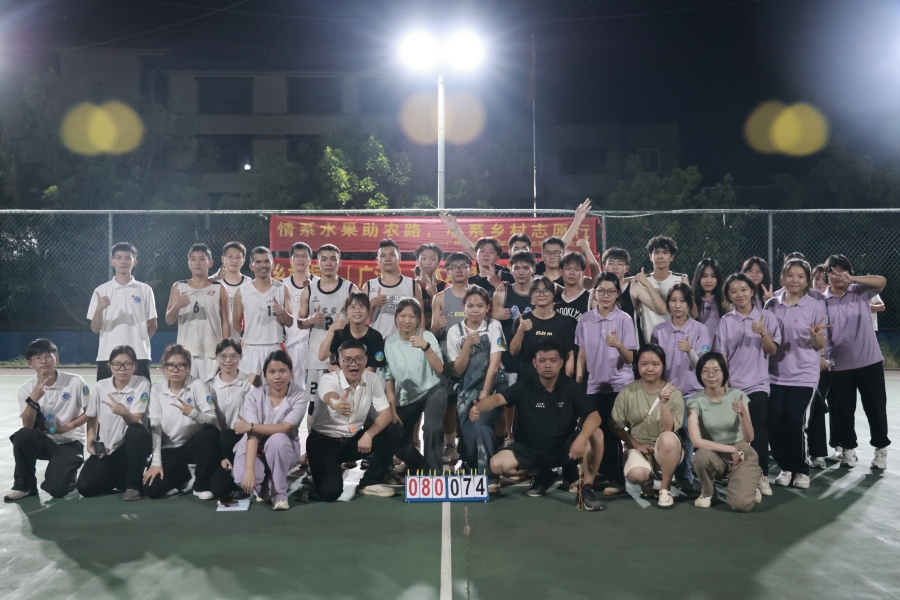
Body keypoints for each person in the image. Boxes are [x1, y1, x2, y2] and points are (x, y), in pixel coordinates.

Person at [471, 340, 606, 511]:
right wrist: (478, 407)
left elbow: (595, 417)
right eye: (542, 361)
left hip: (565, 448)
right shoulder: (524, 386)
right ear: (535, 363)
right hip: (531, 450)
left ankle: (586, 488)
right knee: (496, 464)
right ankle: (544, 474)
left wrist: (581, 439)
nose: (547, 365)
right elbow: (498, 399)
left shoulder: (571, 387)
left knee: (597, 434)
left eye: (553, 360)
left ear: (561, 363)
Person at [307, 340, 401, 500]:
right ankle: (322, 472)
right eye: (348, 360)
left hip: (351, 441)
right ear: (339, 361)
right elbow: (329, 395)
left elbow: (386, 414)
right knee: (330, 493)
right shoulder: (328, 379)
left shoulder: (371, 379)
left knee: (392, 429)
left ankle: (370, 482)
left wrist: (369, 435)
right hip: (324, 444)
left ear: (365, 360)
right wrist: (336, 403)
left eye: (358, 359)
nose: (353, 364)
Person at [714, 272, 780, 496]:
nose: (739, 294)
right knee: (735, 433)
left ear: (752, 291)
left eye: (743, 289)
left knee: (758, 428)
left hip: (758, 384)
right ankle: (737, 474)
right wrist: (725, 387)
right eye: (733, 291)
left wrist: (763, 333)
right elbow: (722, 355)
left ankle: (761, 475)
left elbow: (772, 350)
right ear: (728, 296)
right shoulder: (726, 321)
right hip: (733, 387)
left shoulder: (766, 317)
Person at [765, 259, 828, 489]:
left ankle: (801, 469)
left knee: (794, 420)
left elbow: (820, 343)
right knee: (774, 422)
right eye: (790, 275)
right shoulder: (771, 305)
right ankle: (786, 466)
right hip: (774, 375)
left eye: (800, 276)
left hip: (804, 375)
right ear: (783, 277)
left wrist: (814, 335)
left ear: (807, 280)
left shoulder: (815, 306)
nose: (795, 280)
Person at [823, 254, 889, 469]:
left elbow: (882, 281)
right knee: (843, 412)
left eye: (842, 271)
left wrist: (852, 279)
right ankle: (848, 450)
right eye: (833, 272)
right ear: (826, 275)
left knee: (875, 409)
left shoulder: (860, 290)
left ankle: (880, 449)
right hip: (839, 365)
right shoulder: (821, 300)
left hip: (869, 361)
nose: (838, 276)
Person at [575, 273, 638, 496]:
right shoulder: (585, 320)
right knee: (594, 432)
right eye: (601, 291)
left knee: (612, 431)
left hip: (619, 385)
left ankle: (617, 480)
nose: (605, 295)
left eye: (611, 291)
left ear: (618, 294)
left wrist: (618, 345)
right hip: (594, 385)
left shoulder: (625, 319)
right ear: (594, 293)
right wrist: (578, 384)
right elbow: (581, 355)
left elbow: (630, 358)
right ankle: (598, 475)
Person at [4, 339, 88, 500]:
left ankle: (68, 473)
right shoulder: (26, 390)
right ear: (29, 364)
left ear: (56, 359)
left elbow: (89, 412)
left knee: (57, 490)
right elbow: (27, 425)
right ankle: (25, 486)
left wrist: (66, 428)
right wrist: (33, 400)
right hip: (44, 442)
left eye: (48, 356)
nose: (43, 361)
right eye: (38, 358)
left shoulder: (75, 381)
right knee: (22, 435)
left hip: (70, 441)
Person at [650, 283, 711, 494]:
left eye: (682, 301)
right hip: (666, 393)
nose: (677, 305)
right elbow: (653, 365)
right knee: (664, 434)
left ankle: (685, 478)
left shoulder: (700, 330)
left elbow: (703, 367)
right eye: (673, 301)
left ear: (689, 304)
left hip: (691, 392)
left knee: (685, 431)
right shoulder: (659, 331)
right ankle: (657, 474)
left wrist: (690, 351)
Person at [230, 350, 307, 510]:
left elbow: (285, 427)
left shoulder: (300, 395)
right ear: (265, 375)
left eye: (282, 371)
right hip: (254, 447)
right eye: (272, 372)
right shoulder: (253, 396)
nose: (277, 376)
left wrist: (250, 426)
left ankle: (279, 494)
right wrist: (249, 469)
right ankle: (264, 485)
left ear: (291, 373)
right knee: (242, 477)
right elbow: (252, 435)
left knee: (277, 439)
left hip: (283, 448)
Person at [610, 344, 685, 509]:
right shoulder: (628, 391)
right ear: (637, 366)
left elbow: (669, 429)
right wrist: (635, 445)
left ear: (663, 366)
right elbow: (615, 424)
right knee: (637, 474)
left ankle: (665, 488)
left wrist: (664, 403)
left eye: (655, 364)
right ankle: (647, 481)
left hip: (666, 449)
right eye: (644, 364)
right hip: (639, 447)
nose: (649, 369)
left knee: (668, 438)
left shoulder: (674, 393)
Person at [448, 286, 507, 492]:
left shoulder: (494, 326)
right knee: (468, 431)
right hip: (466, 387)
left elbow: (494, 365)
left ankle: (489, 477)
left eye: (480, 306)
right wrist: (466, 345)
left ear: (488, 307)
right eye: (471, 306)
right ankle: (470, 464)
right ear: (463, 307)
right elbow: (457, 369)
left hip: (493, 386)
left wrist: (483, 398)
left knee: (482, 422)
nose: (475, 310)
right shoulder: (454, 332)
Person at [143, 344, 220, 500]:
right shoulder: (156, 389)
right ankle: (182, 475)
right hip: (168, 449)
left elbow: (213, 419)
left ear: (188, 368)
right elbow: (156, 428)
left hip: (191, 446)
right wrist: (156, 462)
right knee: (152, 490)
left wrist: (193, 414)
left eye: (181, 365)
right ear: (164, 368)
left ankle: (201, 485)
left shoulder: (197, 385)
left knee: (211, 433)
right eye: (170, 365)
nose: (175, 370)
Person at [687, 352, 762, 511]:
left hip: (741, 452)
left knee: (741, 504)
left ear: (724, 372)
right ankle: (708, 492)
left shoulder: (738, 395)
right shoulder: (695, 401)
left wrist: (743, 413)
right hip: (714, 452)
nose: (711, 375)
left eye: (716, 370)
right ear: (699, 374)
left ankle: (750, 481)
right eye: (705, 371)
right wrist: (729, 449)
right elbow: (696, 441)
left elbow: (749, 437)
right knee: (700, 457)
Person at [77, 345, 152, 501]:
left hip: (131, 447)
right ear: (110, 366)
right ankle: (121, 477)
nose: (122, 369)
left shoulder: (142, 383)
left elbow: (135, 420)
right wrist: (91, 440)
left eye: (128, 364)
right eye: (116, 364)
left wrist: (124, 413)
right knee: (85, 488)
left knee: (136, 431)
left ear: (135, 366)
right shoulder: (100, 386)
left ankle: (134, 486)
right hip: (107, 448)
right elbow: (92, 417)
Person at [383, 299, 448, 474]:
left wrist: (425, 347)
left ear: (418, 320)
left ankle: (434, 475)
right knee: (394, 436)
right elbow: (389, 379)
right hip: (408, 396)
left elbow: (440, 369)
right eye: (402, 316)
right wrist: (392, 409)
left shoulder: (427, 337)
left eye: (412, 316)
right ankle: (419, 463)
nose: (407, 320)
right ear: (396, 318)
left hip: (434, 389)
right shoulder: (389, 343)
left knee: (432, 427)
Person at [88, 242, 157, 381]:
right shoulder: (101, 291)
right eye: (119, 258)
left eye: (127, 258)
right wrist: (99, 309)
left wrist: (139, 340)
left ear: (134, 262)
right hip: (107, 355)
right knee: (107, 394)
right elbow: (95, 328)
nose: (123, 261)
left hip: (139, 355)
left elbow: (153, 324)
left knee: (141, 394)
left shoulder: (145, 290)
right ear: (112, 262)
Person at [298, 244, 355, 403]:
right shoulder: (309, 291)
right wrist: (311, 320)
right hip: (316, 357)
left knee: (345, 402)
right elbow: (299, 322)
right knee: (315, 404)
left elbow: (359, 318)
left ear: (339, 262)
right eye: (324, 259)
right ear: (317, 262)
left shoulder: (350, 288)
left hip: (343, 357)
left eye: (333, 259)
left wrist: (348, 322)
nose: (328, 263)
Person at [164, 243, 230, 382]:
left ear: (210, 263)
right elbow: (169, 320)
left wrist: (224, 351)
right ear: (189, 263)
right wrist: (177, 306)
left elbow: (225, 321)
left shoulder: (219, 288)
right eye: (193, 259)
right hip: (186, 353)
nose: (197, 263)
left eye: (202, 259)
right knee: (186, 392)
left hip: (212, 353)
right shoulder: (179, 286)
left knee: (210, 393)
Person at [430, 252, 473, 463]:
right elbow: (432, 333)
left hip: (475, 359)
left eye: (463, 266)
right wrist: (437, 327)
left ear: (470, 269)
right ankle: (450, 445)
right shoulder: (440, 298)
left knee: (473, 404)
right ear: (447, 271)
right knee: (449, 405)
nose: (459, 270)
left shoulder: (479, 294)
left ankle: (471, 446)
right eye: (454, 267)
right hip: (448, 360)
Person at [232, 246, 293, 383]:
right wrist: (249, 337)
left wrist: (282, 311)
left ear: (272, 264)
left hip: (275, 347)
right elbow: (236, 322)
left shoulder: (282, 289)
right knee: (248, 390)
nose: (263, 265)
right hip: (250, 349)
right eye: (258, 262)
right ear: (251, 266)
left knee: (275, 389)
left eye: (266, 261)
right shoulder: (242, 291)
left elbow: (290, 322)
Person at [206, 339, 256, 502]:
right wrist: (222, 456)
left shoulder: (249, 383)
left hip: (244, 439)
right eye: (223, 356)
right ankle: (233, 474)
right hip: (221, 444)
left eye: (233, 356)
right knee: (218, 489)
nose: (228, 360)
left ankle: (245, 475)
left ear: (240, 357)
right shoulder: (209, 386)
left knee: (229, 436)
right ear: (216, 357)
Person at [510, 276, 575, 382]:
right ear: (531, 297)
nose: (541, 294)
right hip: (528, 381)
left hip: (557, 381)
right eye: (536, 291)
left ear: (553, 294)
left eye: (546, 290)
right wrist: (521, 330)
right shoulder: (522, 321)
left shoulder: (565, 322)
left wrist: (568, 382)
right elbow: (513, 352)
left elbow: (569, 354)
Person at [599, 247, 665, 341]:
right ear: (604, 267)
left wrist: (647, 284)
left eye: (620, 264)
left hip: (631, 346)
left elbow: (661, 310)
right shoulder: (598, 292)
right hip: (606, 344)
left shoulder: (633, 288)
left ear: (626, 269)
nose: (615, 267)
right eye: (611, 263)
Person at [363, 238, 423, 339]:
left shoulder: (412, 285)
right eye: (383, 256)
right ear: (377, 261)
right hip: (377, 341)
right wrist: (373, 303)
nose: (387, 259)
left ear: (399, 258)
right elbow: (360, 317)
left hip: (406, 341)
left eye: (392, 255)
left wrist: (420, 337)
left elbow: (421, 316)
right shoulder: (369, 286)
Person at [492, 250, 537, 386]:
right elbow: (491, 327)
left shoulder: (541, 295)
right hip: (507, 356)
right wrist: (494, 316)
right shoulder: (501, 294)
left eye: (526, 268)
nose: (521, 272)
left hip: (532, 355)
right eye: (516, 268)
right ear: (510, 270)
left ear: (533, 270)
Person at [635, 236, 689, 344]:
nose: (660, 256)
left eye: (665, 252)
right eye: (656, 252)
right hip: (650, 342)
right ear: (650, 256)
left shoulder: (681, 279)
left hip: (677, 341)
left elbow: (691, 312)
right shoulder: (641, 281)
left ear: (671, 257)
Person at [319, 292, 387, 373]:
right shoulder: (339, 333)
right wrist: (331, 329)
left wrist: (339, 371)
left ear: (368, 312)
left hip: (363, 380)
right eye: (352, 307)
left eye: (361, 307)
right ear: (346, 312)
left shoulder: (375, 337)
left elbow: (370, 372)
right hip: (337, 379)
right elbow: (322, 356)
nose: (357, 311)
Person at [284, 241, 317, 385]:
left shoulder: (319, 283)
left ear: (310, 260)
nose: (300, 260)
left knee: (314, 385)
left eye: (304, 256)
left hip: (314, 342)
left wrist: (313, 292)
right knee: (294, 385)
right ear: (291, 260)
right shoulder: (282, 285)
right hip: (291, 342)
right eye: (296, 256)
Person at [210, 241, 249, 339]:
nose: (234, 260)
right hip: (217, 338)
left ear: (243, 261)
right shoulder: (212, 282)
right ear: (223, 259)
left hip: (244, 338)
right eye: (230, 257)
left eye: (238, 257)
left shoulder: (250, 284)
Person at [554, 248, 595, 326]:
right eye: (568, 268)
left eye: (576, 269)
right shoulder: (554, 297)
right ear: (561, 272)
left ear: (582, 273)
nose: (572, 273)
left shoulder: (590, 297)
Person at [691, 258, 726, 342]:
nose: (709, 281)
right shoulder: (691, 301)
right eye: (704, 276)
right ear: (698, 277)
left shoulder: (724, 302)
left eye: (713, 276)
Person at [414, 242, 446, 329]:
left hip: (441, 333)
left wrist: (434, 294)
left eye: (433, 259)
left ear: (438, 262)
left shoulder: (446, 287)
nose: (428, 262)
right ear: (417, 261)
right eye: (424, 258)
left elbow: (450, 313)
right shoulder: (410, 285)